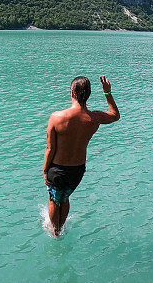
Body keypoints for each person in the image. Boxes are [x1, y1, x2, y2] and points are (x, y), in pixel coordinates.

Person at [43, 75, 120, 236]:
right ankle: (61, 229)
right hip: (77, 170)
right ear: (89, 94)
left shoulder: (56, 117)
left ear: (72, 93)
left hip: (57, 169)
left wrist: (45, 170)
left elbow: (50, 148)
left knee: (53, 199)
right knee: (64, 197)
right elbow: (115, 115)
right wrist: (107, 93)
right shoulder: (95, 118)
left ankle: (54, 231)